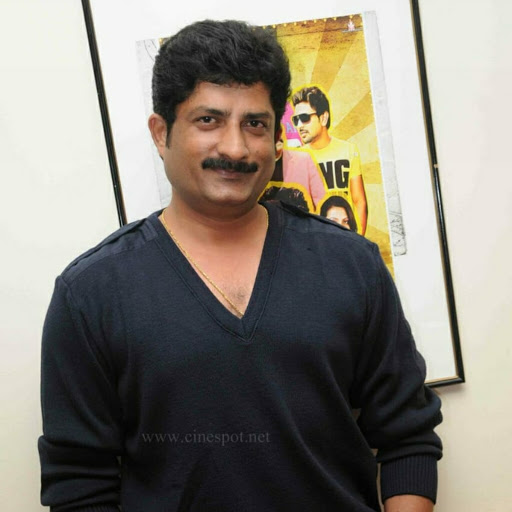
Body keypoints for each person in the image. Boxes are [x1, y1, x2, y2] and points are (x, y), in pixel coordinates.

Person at [39, 19, 442, 512]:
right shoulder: (90, 294)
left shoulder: (352, 264)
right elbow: (79, 483)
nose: (235, 148)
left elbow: (408, 437)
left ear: (276, 139)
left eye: (255, 124)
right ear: (161, 133)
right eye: (209, 120)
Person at [292, 85, 369, 235]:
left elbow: (359, 200)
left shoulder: (348, 150)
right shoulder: (296, 159)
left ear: (323, 118)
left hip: (345, 233)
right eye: (296, 120)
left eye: (305, 118)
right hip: (315, 237)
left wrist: (358, 241)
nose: (299, 125)